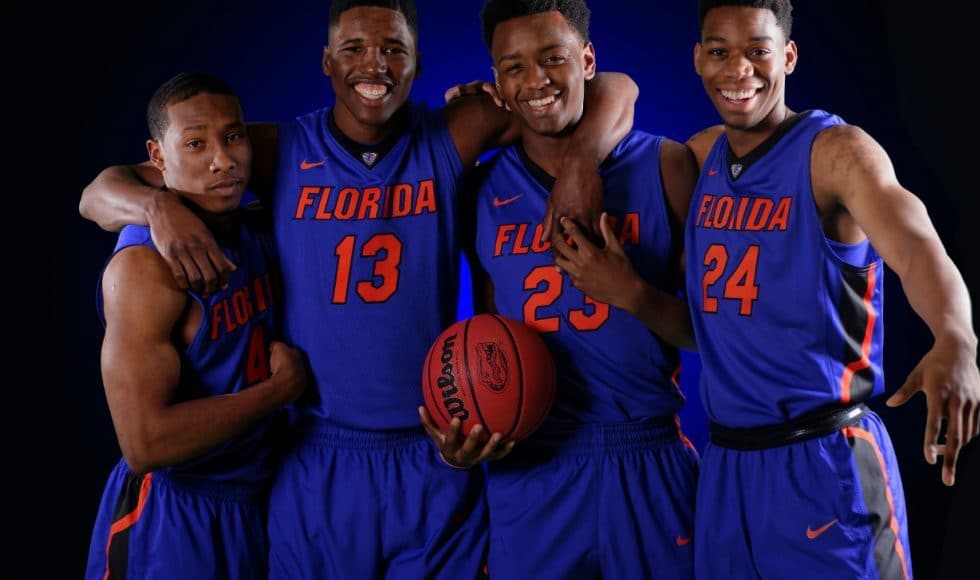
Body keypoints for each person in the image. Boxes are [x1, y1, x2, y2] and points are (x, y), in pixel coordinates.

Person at [78, 1, 639, 577]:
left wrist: (580, 165)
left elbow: (612, 88)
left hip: (433, 450)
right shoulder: (274, 150)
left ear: (419, 64)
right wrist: (155, 206)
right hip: (317, 456)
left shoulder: (455, 130)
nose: (374, 66)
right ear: (326, 60)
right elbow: (98, 192)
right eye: (353, 49)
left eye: (394, 49)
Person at [680, 1, 980, 578]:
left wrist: (955, 337)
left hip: (824, 460)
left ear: (788, 56)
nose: (738, 70)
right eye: (719, 52)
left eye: (758, 51)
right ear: (698, 58)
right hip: (725, 468)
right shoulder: (701, 157)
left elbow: (918, 249)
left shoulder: (836, 153)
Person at [430, 1, 701, 577]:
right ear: (497, 85)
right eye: (514, 67)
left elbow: (717, 338)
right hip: (533, 469)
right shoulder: (475, 192)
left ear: (587, 60)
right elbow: (486, 337)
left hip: (647, 456)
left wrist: (633, 294)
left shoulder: (668, 166)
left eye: (553, 58)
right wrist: (465, 427)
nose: (537, 81)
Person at [84, 72, 307, 579]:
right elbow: (145, 444)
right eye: (195, 143)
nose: (222, 159)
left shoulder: (252, 221)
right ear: (157, 158)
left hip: (263, 497)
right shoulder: (142, 269)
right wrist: (279, 391)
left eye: (233, 136)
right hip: (173, 512)